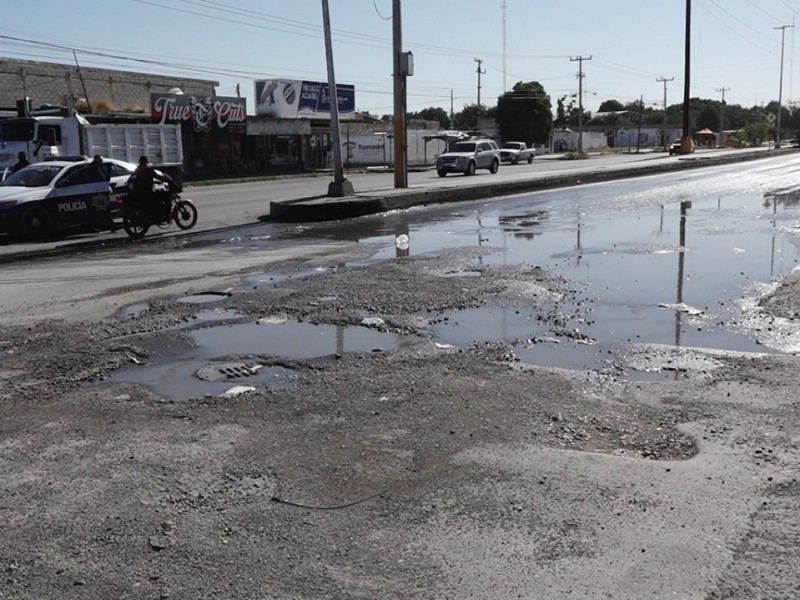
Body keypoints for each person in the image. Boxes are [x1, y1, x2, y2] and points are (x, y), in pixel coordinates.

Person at [130, 155, 178, 220]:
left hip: (139, 193)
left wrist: (156, 182)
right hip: (148, 193)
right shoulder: (148, 170)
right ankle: (166, 215)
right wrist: (169, 181)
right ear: (146, 162)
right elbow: (159, 177)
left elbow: (145, 181)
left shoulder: (137, 170)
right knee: (166, 196)